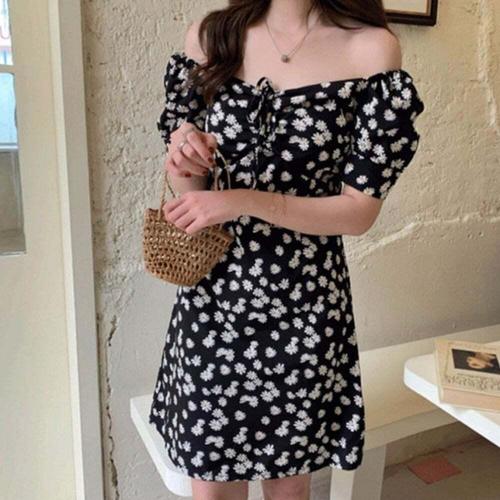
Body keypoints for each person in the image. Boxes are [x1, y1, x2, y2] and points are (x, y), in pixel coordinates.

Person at [148, 1, 425, 499]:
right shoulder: (212, 37)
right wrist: (184, 156)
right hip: (215, 300)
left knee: (289, 486)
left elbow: (358, 212)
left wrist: (243, 201)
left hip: (305, 305)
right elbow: (192, 191)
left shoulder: (370, 49)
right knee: (211, 488)